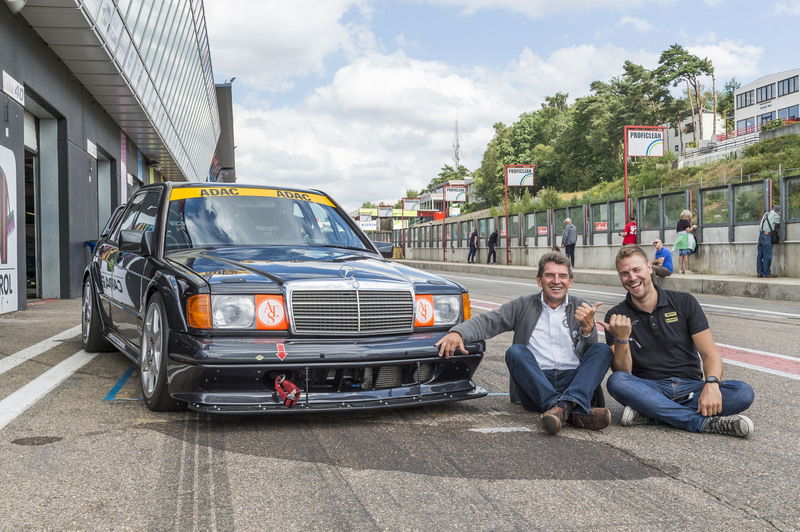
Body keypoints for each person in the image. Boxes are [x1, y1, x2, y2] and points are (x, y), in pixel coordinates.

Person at [435, 252, 613, 435]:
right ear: (539, 280)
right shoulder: (523, 305)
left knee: (602, 350)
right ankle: (572, 410)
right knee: (515, 352)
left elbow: (590, 354)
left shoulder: (581, 306)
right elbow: (489, 321)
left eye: (562, 276)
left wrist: (587, 330)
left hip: (574, 381)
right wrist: (458, 332)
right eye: (550, 275)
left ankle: (562, 409)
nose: (556, 281)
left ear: (570, 282)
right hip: (537, 382)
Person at [599, 246, 755, 438]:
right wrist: (622, 338)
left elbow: (710, 354)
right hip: (648, 388)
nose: (631, 277)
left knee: (743, 392)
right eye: (625, 273)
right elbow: (624, 374)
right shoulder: (616, 315)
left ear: (649, 268)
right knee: (616, 382)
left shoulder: (684, 302)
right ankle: (700, 422)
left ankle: (652, 414)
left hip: (691, 387)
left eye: (636, 270)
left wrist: (712, 385)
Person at [757, 205, 781, 278]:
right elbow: (781, 221)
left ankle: (760, 272)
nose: (780, 214)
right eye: (780, 212)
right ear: (778, 211)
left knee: (760, 255)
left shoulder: (766, 213)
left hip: (761, 235)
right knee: (767, 255)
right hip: (766, 235)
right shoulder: (775, 215)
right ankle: (767, 273)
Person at [673, 209, 697, 274]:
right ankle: (686, 270)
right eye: (688, 217)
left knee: (681, 255)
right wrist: (693, 227)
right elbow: (688, 230)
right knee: (685, 254)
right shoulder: (686, 222)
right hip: (684, 239)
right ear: (687, 216)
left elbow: (677, 231)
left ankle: (680, 270)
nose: (688, 218)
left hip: (679, 238)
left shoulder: (679, 221)